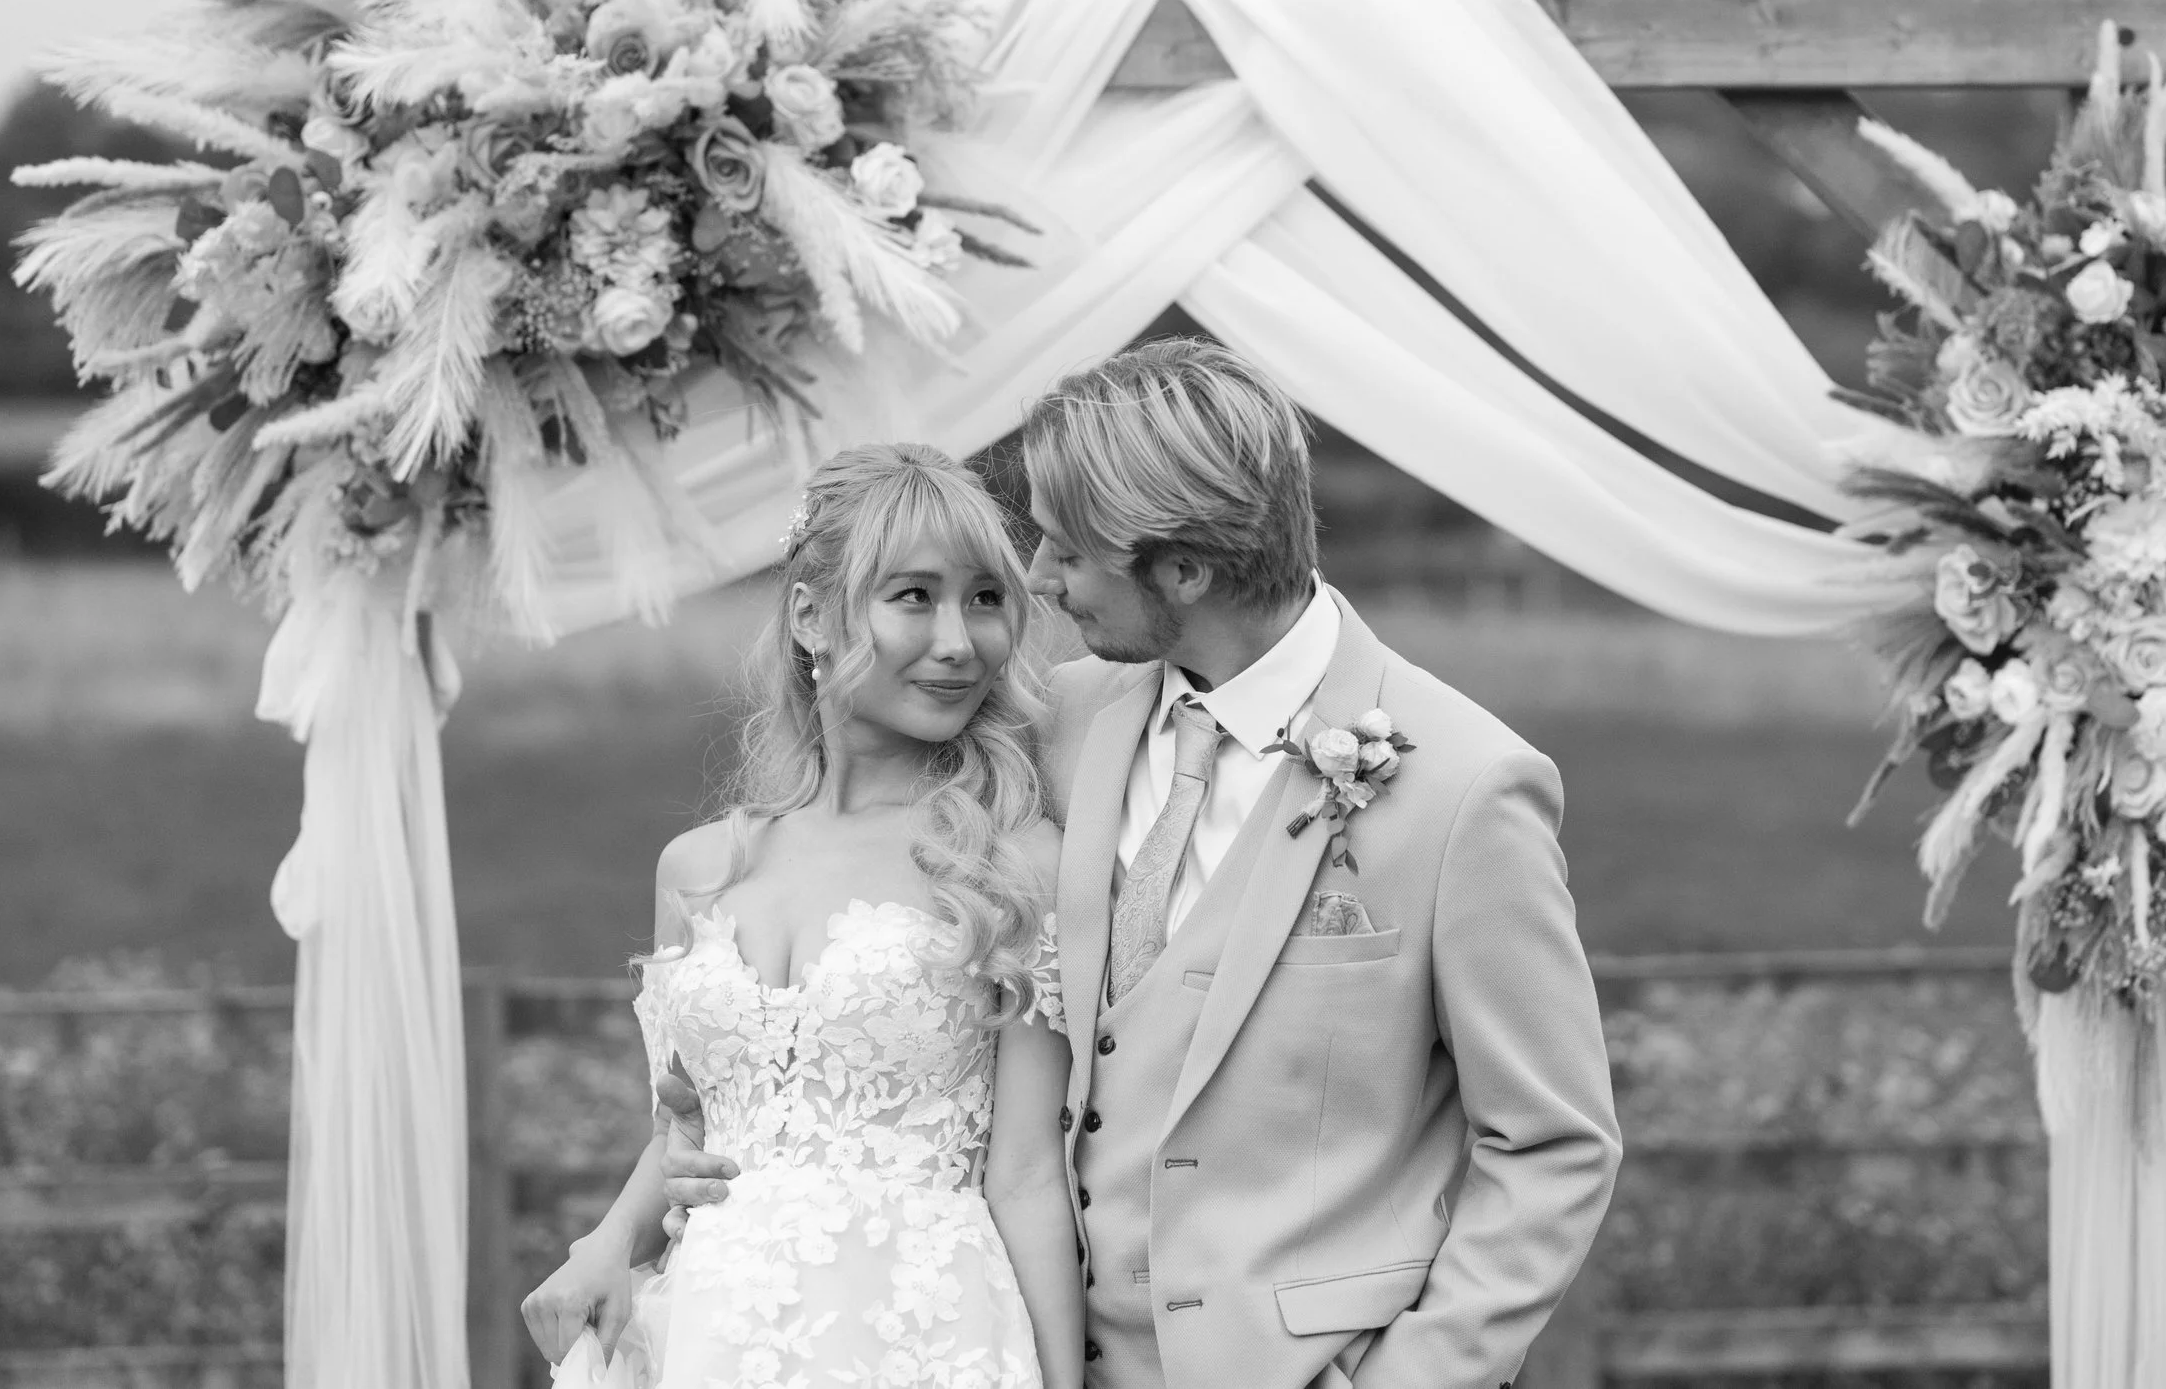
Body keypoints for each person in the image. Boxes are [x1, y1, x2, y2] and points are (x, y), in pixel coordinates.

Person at [666, 340, 1623, 1389]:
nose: (1034, 582)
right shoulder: (1055, 724)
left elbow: (1551, 1142)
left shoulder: (1464, 786)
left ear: (1182, 569)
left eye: (1066, 553)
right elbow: (837, 878)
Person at [521, 442, 1084, 1389]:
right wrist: (610, 1238)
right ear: (811, 614)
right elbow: (691, 1132)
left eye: (986, 598)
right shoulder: (698, 869)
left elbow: (1027, 1172)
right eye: (914, 595)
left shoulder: (1011, 864)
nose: (960, 640)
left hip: (922, 1335)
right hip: (713, 1333)